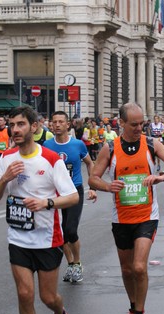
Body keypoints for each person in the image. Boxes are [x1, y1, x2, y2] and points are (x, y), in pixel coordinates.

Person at [0, 106, 79, 314]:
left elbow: (72, 196)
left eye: (20, 125)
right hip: (18, 238)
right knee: (24, 294)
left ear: (34, 127)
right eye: (11, 125)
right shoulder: (5, 158)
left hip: (47, 239)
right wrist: (5, 178)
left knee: (48, 298)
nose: (15, 130)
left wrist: (46, 203)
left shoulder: (50, 159)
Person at [88, 102, 164, 314]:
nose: (139, 128)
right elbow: (93, 179)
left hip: (146, 216)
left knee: (140, 267)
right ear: (121, 123)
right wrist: (108, 186)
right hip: (121, 218)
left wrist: (161, 177)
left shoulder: (151, 144)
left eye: (142, 123)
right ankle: (132, 309)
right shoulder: (110, 148)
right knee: (127, 269)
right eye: (134, 124)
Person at [44, 111, 97, 283]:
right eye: (54, 122)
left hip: (74, 191)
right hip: (55, 193)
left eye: (61, 122)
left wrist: (93, 185)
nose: (57, 125)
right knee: (60, 232)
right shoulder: (47, 145)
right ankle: (71, 264)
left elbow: (89, 162)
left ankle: (78, 263)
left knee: (71, 230)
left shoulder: (78, 144)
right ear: (51, 125)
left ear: (68, 125)